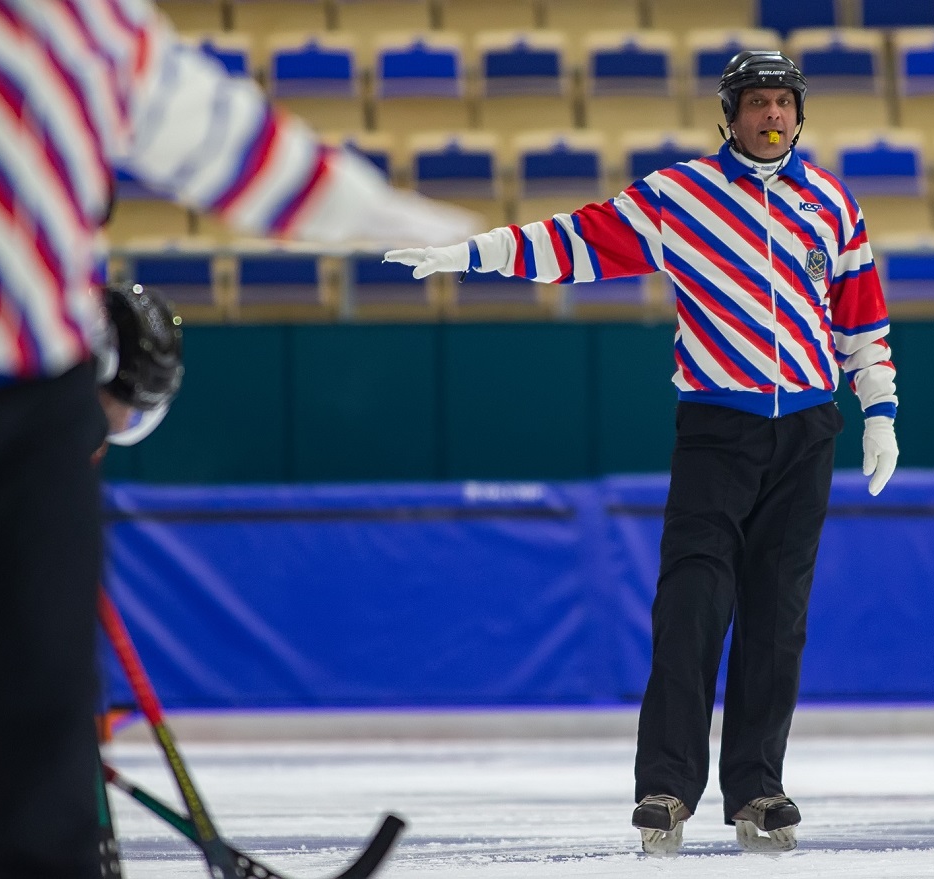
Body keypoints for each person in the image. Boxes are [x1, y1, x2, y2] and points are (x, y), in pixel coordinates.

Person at [0, 0, 475, 875]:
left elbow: (234, 146)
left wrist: (413, 225)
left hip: (35, 402)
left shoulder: (91, 25)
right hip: (28, 399)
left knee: (42, 706)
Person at [386, 49, 900, 854]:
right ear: (727, 115)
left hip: (808, 431)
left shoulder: (833, 201)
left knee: (777, 619)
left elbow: (861, 319)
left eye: (783, 102)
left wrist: (879, 411)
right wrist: (472, 252)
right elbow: (576, 241)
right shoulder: (680, 196)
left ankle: (758, 790)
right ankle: (666, 789)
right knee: (690, 609)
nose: (772, 115)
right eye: (756, 102)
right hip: (716, 430)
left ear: (800, 114)